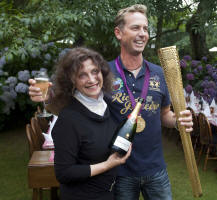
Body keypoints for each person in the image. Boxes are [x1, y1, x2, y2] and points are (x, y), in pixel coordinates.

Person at [28, 4, 193, 200]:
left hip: (155, 168)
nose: (142, 34)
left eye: (145, 28)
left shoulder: (159, 73)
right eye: (135, 28)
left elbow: (165, 114)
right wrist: (47, 98)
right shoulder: (102, 74)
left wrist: (178, 121)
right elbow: (74, 106)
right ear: (118, 33)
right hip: (119, 170)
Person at [49, 47, 131, 200]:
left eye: (94, 71)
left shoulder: (107, 105)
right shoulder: (69, 119)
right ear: (71, 81)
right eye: (82, 75)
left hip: (108, 193)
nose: (92, 79)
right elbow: (64, 173)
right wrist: (108, 165)